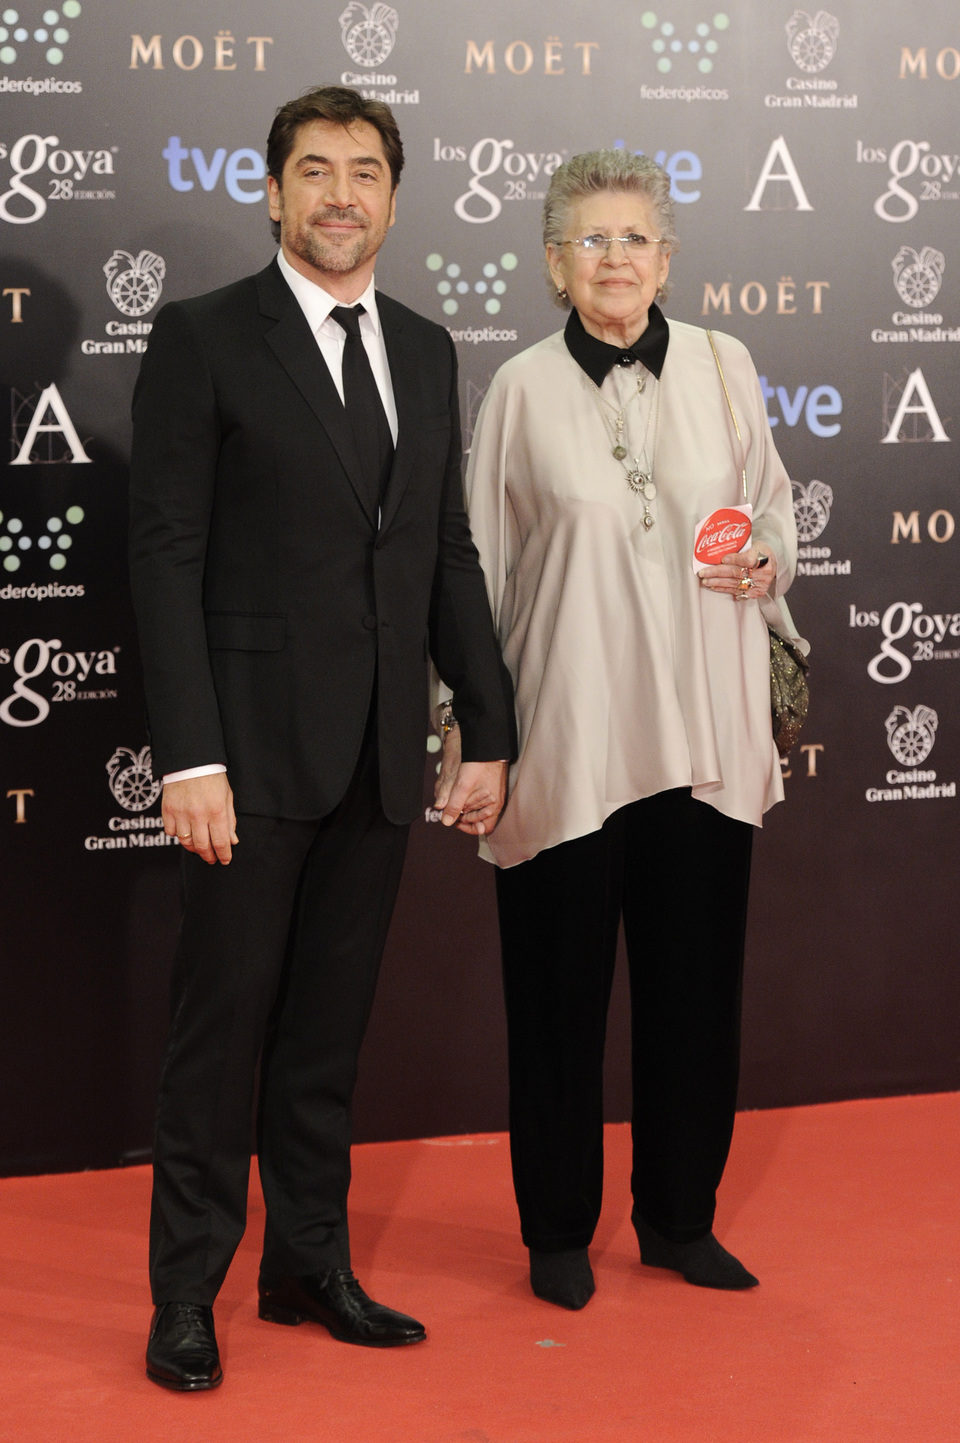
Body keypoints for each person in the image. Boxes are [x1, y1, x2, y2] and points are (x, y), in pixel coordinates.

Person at [129, 84, 515, 1390]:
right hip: (244, 759)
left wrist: (489, 722)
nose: (341, 193)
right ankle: (186, 1289)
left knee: (325, 1033)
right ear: (275, 190)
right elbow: (166, 554)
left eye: (364, 171)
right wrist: (191, 755)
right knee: (219, 1032)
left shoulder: (424, 344)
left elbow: (443, 554)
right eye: (315, 170)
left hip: (376, 757)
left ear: (394, 197)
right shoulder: (203, 337)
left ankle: (306, 1262)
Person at [438, 149, 800, 1311]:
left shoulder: (727, 363)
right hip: (569, 741)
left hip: (702, 733)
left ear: (668, 256)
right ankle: (556, 1230)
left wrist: (767, 561)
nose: (614, 259)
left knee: (697, 993)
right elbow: (475, 575)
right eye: (589, 240)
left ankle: (680, 1219)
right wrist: (467, 734)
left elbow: (775, 513)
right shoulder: (518, 391)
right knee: (555, 998)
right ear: (553, 262)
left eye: (634, 237)